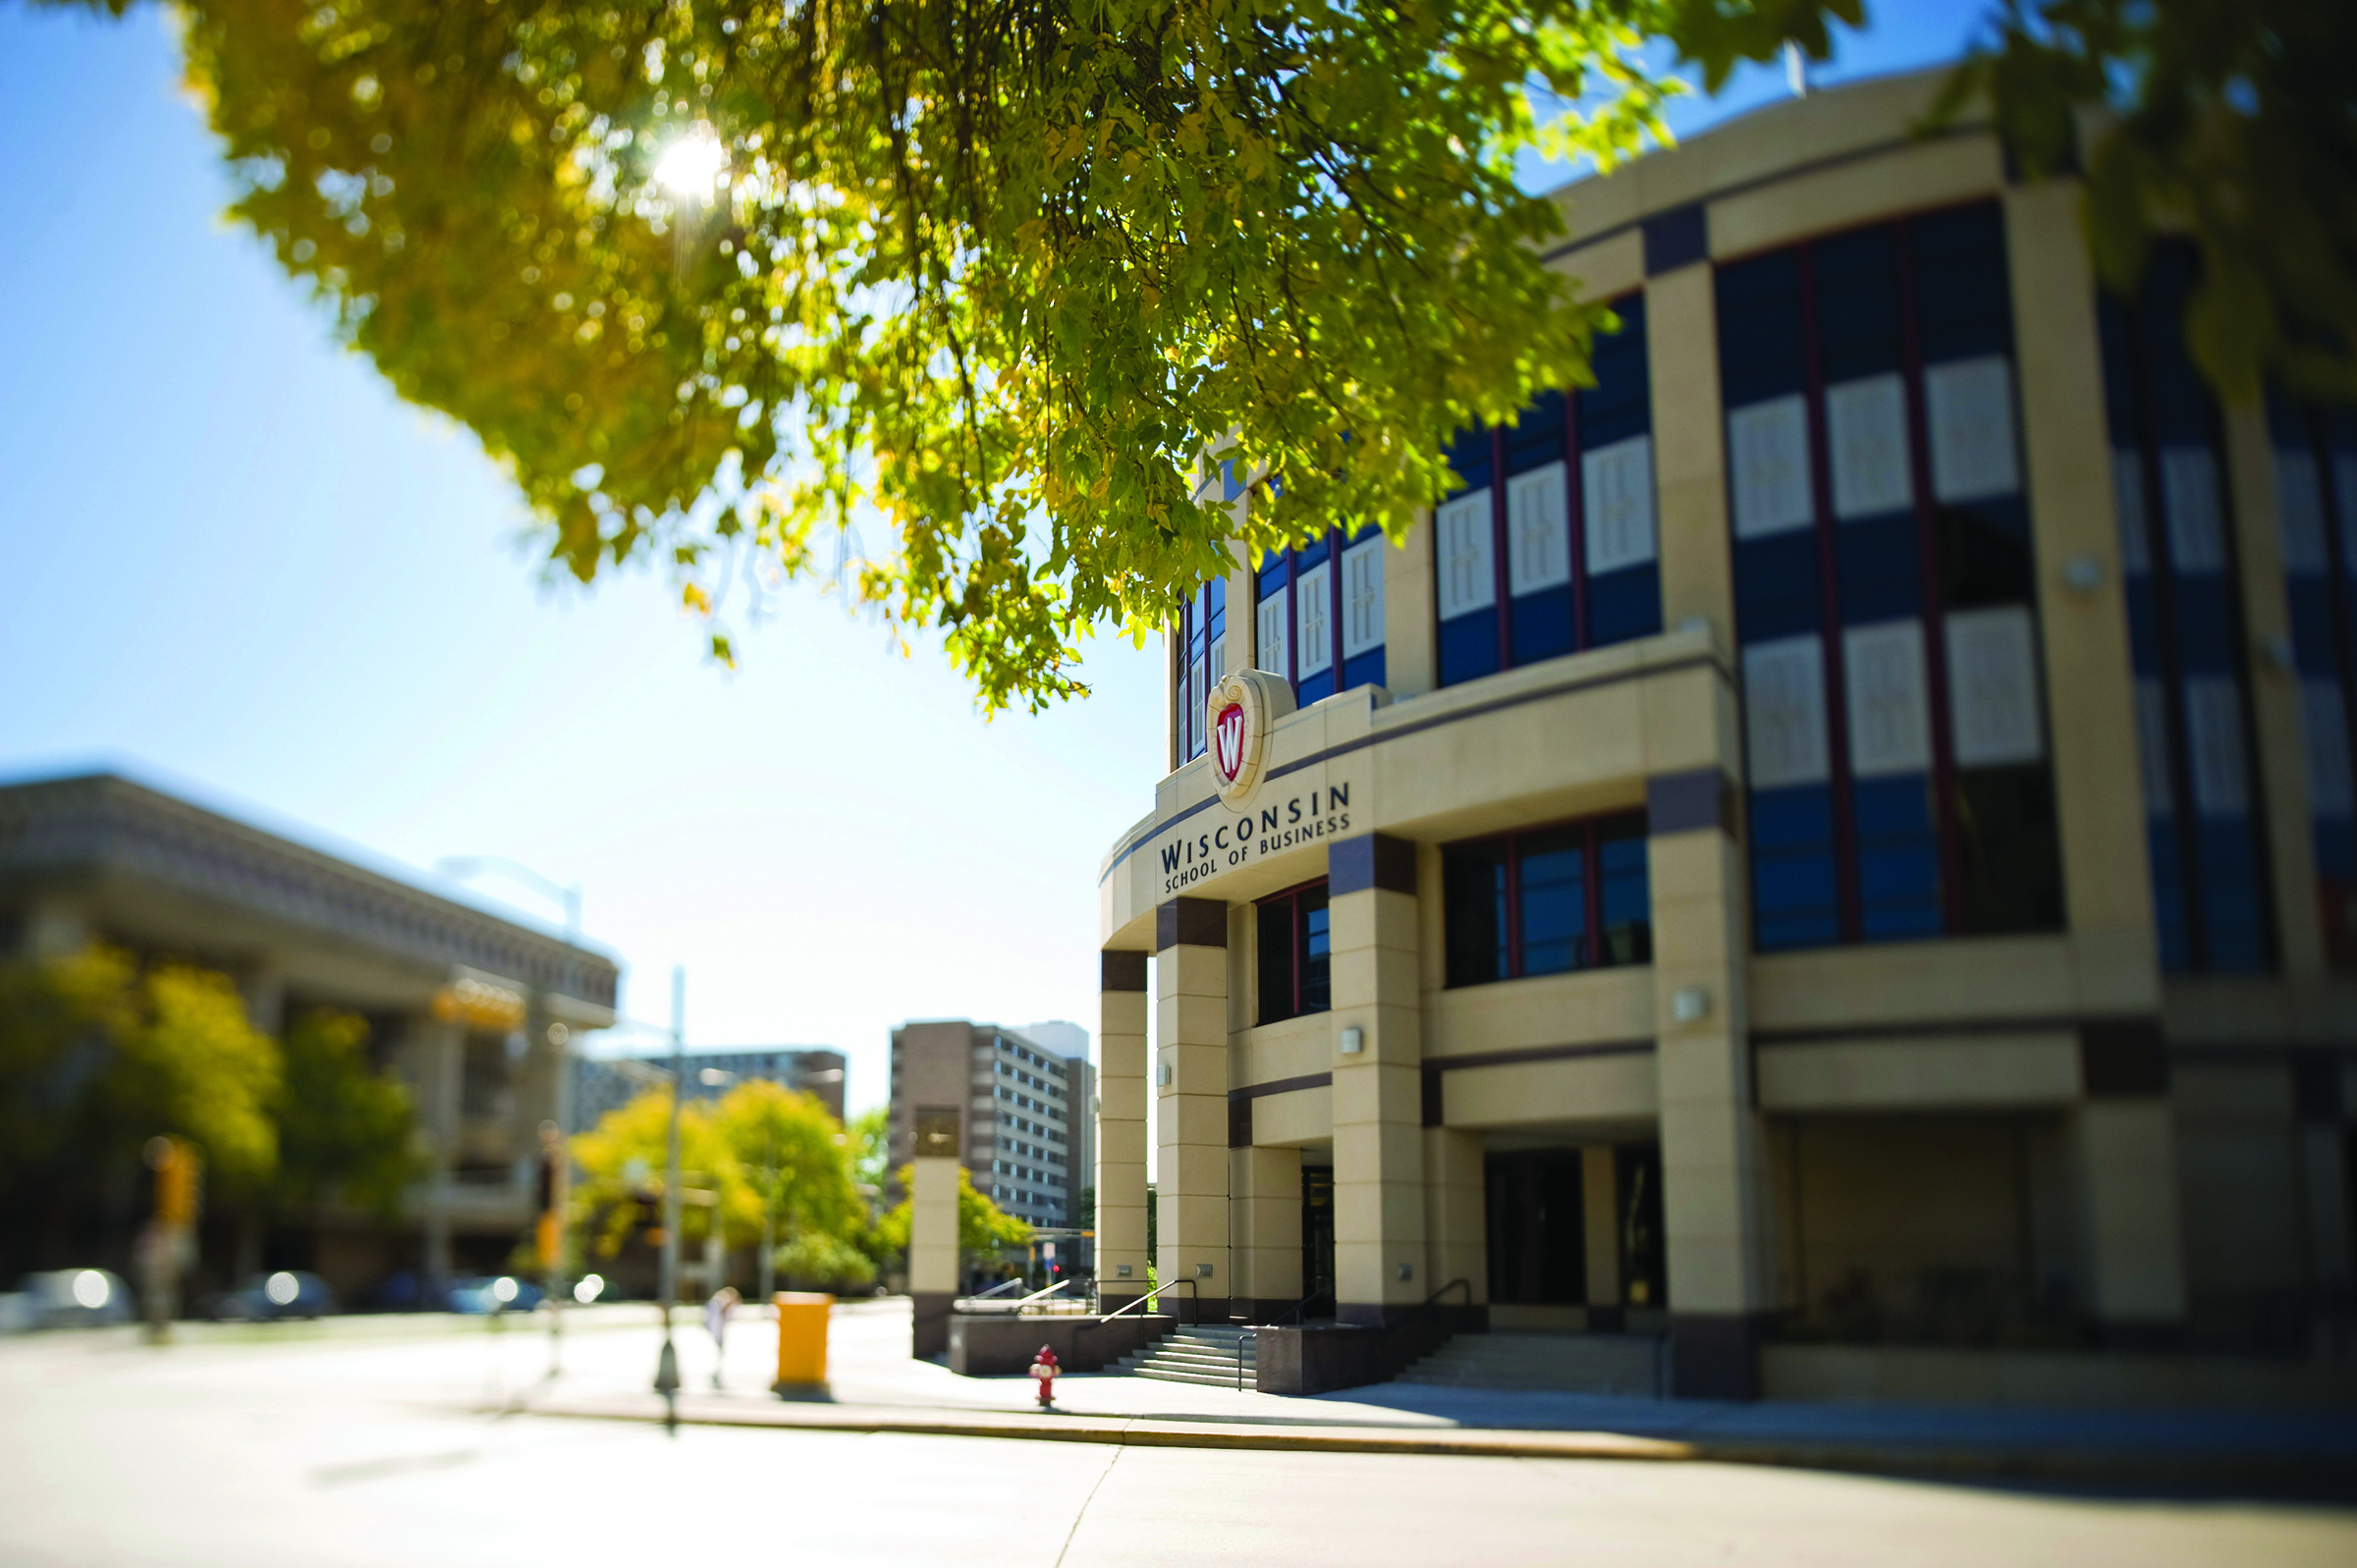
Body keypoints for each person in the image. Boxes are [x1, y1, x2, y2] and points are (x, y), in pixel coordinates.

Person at [704, 1285, 740, 1389]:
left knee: (720, 1352)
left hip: (717, 1331)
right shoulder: (718, 1303)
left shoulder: (718, 1303)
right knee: (720, 1352)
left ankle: (716, 1372)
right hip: (717, 1331)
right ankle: (715, 1373)